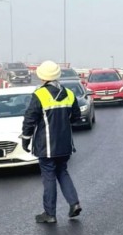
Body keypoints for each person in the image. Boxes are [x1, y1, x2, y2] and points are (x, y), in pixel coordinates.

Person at [21, 60, 83, 224]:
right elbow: (76, 118)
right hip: (65, 144)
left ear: (42, 77)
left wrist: (25, 140)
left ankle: (50, 213)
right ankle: (74, 203)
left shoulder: (40, 95)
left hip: (46, 146)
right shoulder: (69, 94)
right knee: (62, 172)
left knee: (49, 177)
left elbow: (30, 119)